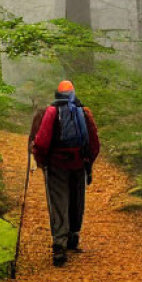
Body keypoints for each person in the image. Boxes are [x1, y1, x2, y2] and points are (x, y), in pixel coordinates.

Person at [30, 80, 100, 267]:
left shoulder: (52, 112)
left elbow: (42, 142)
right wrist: (88, 162)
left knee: (59, 201)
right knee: (77, 199)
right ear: (73, 93)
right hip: (78, 163)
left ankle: (59, 245)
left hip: (57, 165)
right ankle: (73, 237)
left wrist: (41, 160)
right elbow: (94, 143)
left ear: (57, 94)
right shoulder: (84, 112)